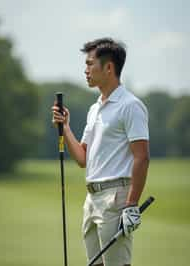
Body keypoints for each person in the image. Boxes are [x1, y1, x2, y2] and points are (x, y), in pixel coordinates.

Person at [52, 38, 150, 266]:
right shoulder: (94, 108)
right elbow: (82, 158)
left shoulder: (130, 105)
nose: (85, 70)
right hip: (92, 199)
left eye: (89, 64)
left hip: (116, 198)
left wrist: (131, 205)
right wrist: (65, 127)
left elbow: (142, 157)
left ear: (108, 67)